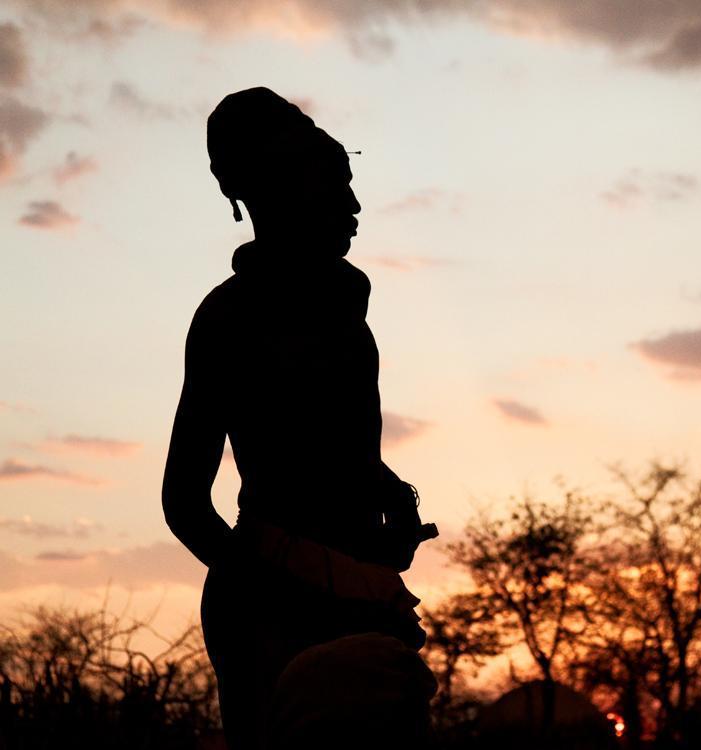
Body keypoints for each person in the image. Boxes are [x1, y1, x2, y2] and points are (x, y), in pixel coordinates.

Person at [162, 87, 436, 749]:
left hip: (360, 597)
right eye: (334, 183)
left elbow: (333, 448)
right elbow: (183, 501)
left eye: (350, 182)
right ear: (274, 190)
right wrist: (272, 590)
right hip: (272, 620)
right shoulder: (229, 318)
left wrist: (391, 494)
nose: (354, 205)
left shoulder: (345, 305)